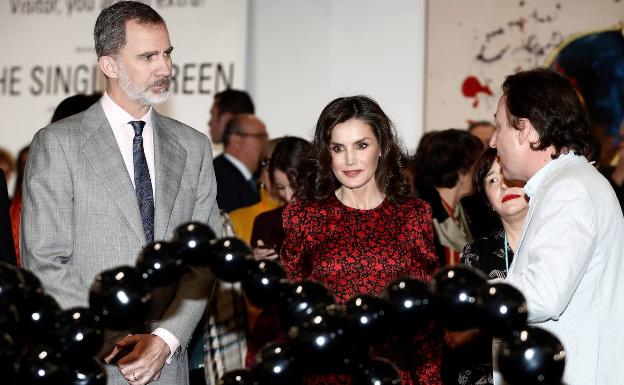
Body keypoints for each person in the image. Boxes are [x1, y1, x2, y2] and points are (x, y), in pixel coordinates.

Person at [21, 2, 221, 385]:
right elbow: (44, 260)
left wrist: (163, 340)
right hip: (91, 362)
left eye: (167, 53)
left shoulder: (193, 146)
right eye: (148, 56)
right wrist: (115, 340)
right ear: (109, 65)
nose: (165, 68)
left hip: (169, 365)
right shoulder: (58, 144)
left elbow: (205, 258)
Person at [281, 95, 441, 385]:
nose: (350, 160)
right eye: (338, 148)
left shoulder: (413, 215)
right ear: (326, 153)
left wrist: (429, 380)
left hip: (392, 372)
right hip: (324, 372)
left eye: (361, 145)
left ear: (382, 147)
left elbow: (425, 320)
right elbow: (289, 310)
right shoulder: (304, 215)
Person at [489, 68, 624, 385]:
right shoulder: (569, 183)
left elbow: (544, 294)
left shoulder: (569, 189)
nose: (494, 141)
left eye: (499, 126)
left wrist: (478, 298)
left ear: (526, 131)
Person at [445, 148, 529, 385]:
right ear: (488, 201)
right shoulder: (476, 253)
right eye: (493, 180)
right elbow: (459, 330)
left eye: (509, 176)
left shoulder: (560, 244)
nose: (503, 185)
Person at [411, 129, 484, 266]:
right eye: (476, 166)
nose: (480, 173)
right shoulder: (418, 215)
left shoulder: (468, 211)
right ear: (462, 170)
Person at [250, 136, 309, 259]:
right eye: (281, 188)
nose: (288, 196)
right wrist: (256, 263)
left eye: (294, 186)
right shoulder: (265, 223)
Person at [228, 138, 284, 245]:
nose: (276, 172)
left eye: (284, 165)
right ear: (260, 174)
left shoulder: (313, 216)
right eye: (269, 164)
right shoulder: (236, 220)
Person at [213, 113, 268, 212]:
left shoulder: (257, 177)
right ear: (236, 140)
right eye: (261, 137)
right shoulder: (218, 179)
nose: (266, 142)